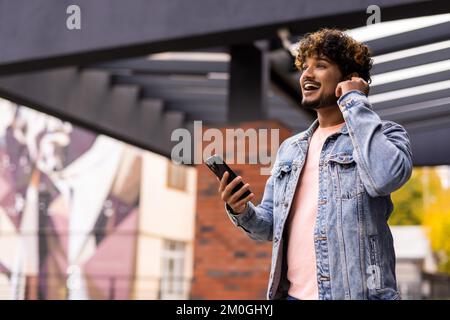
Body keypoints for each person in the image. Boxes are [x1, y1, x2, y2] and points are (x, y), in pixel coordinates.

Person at [217, 28, 412, 300]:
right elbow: (271, 227)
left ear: (349, 78)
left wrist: (353, 101)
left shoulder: (387, 135)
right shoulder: (291, 149)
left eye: (320, 65)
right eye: (304, 67)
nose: (306, 75)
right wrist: (241, 211)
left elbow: (385, 177)